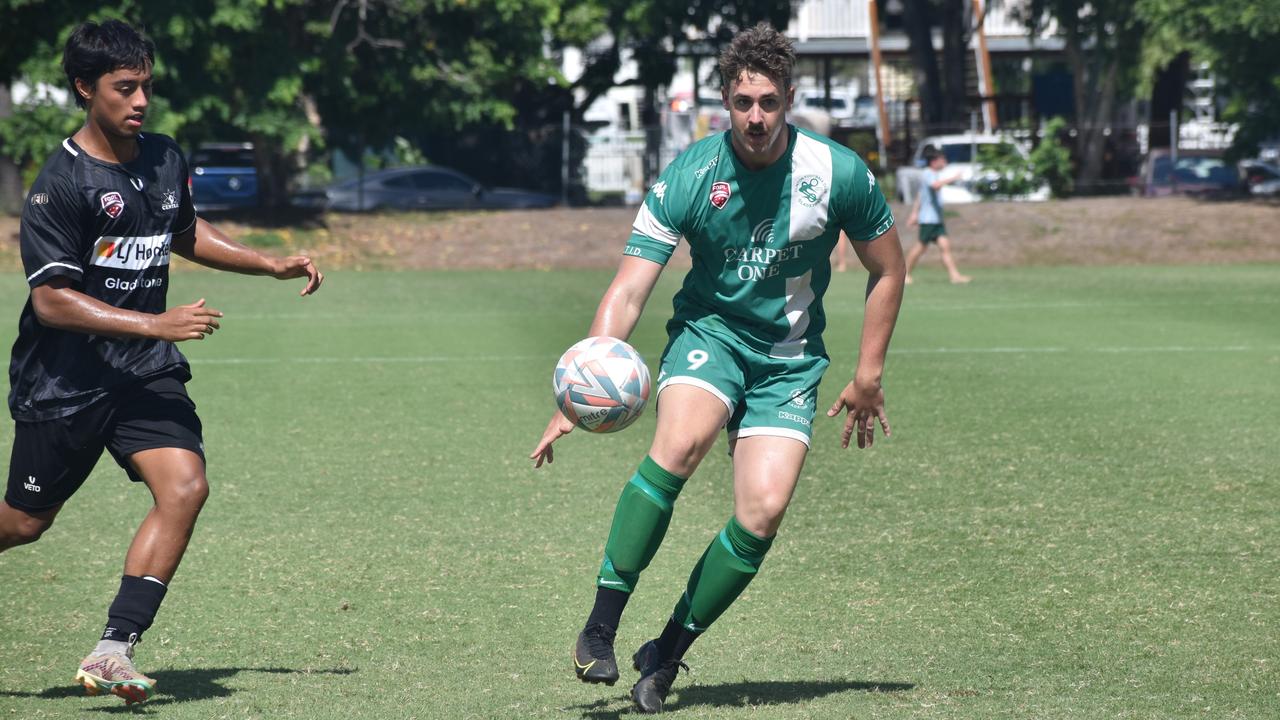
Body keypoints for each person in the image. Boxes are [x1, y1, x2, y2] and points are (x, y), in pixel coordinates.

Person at [530, 23, 904, 714]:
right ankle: (600, 628)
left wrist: (868, 373)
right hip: (712, 337)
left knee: (762, 512)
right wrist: (580, 383)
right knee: (680, 445)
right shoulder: (691, 175)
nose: (756, 117)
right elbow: (630, 288)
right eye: (742, 103)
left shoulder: (837, 173)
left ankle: (666, 651)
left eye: (767, 101)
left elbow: (889, 268)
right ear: (723, 104)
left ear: (789, 98)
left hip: (789, 362)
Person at [0, 20, 323, 705]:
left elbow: (181, 229)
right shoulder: (58, 185)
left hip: (145, 371)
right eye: (124, 87)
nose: (140, 99)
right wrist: (157, 321)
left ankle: (114, 649)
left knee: (184, 487)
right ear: (86, 89)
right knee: (25, 523)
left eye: (146, 85)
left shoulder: (163, 156)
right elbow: (54, 302)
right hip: (64, 384)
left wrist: (265, 262)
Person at [904, 147, 971, 284]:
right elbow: (935, 186)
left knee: (945, 247)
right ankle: (904, 274)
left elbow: (920, 196)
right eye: (942, 160)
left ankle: (954, 276)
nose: (945, 162)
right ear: (934, 162)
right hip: (929, 220)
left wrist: (914, 213)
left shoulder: (933, 174)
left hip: (937, 219)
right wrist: (954, 178)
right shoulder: (928, 173)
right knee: (920, 247)